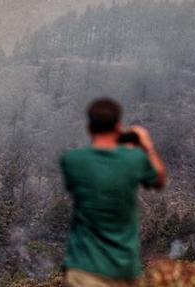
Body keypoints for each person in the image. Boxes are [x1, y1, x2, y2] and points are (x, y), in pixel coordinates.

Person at [61, 98, 167, 287]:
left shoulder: (72, 161)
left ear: (89, 128)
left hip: (82, 270)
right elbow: (159, 180)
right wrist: (146, 146)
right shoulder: (134, 160)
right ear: (118, 126)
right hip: (122, 270)